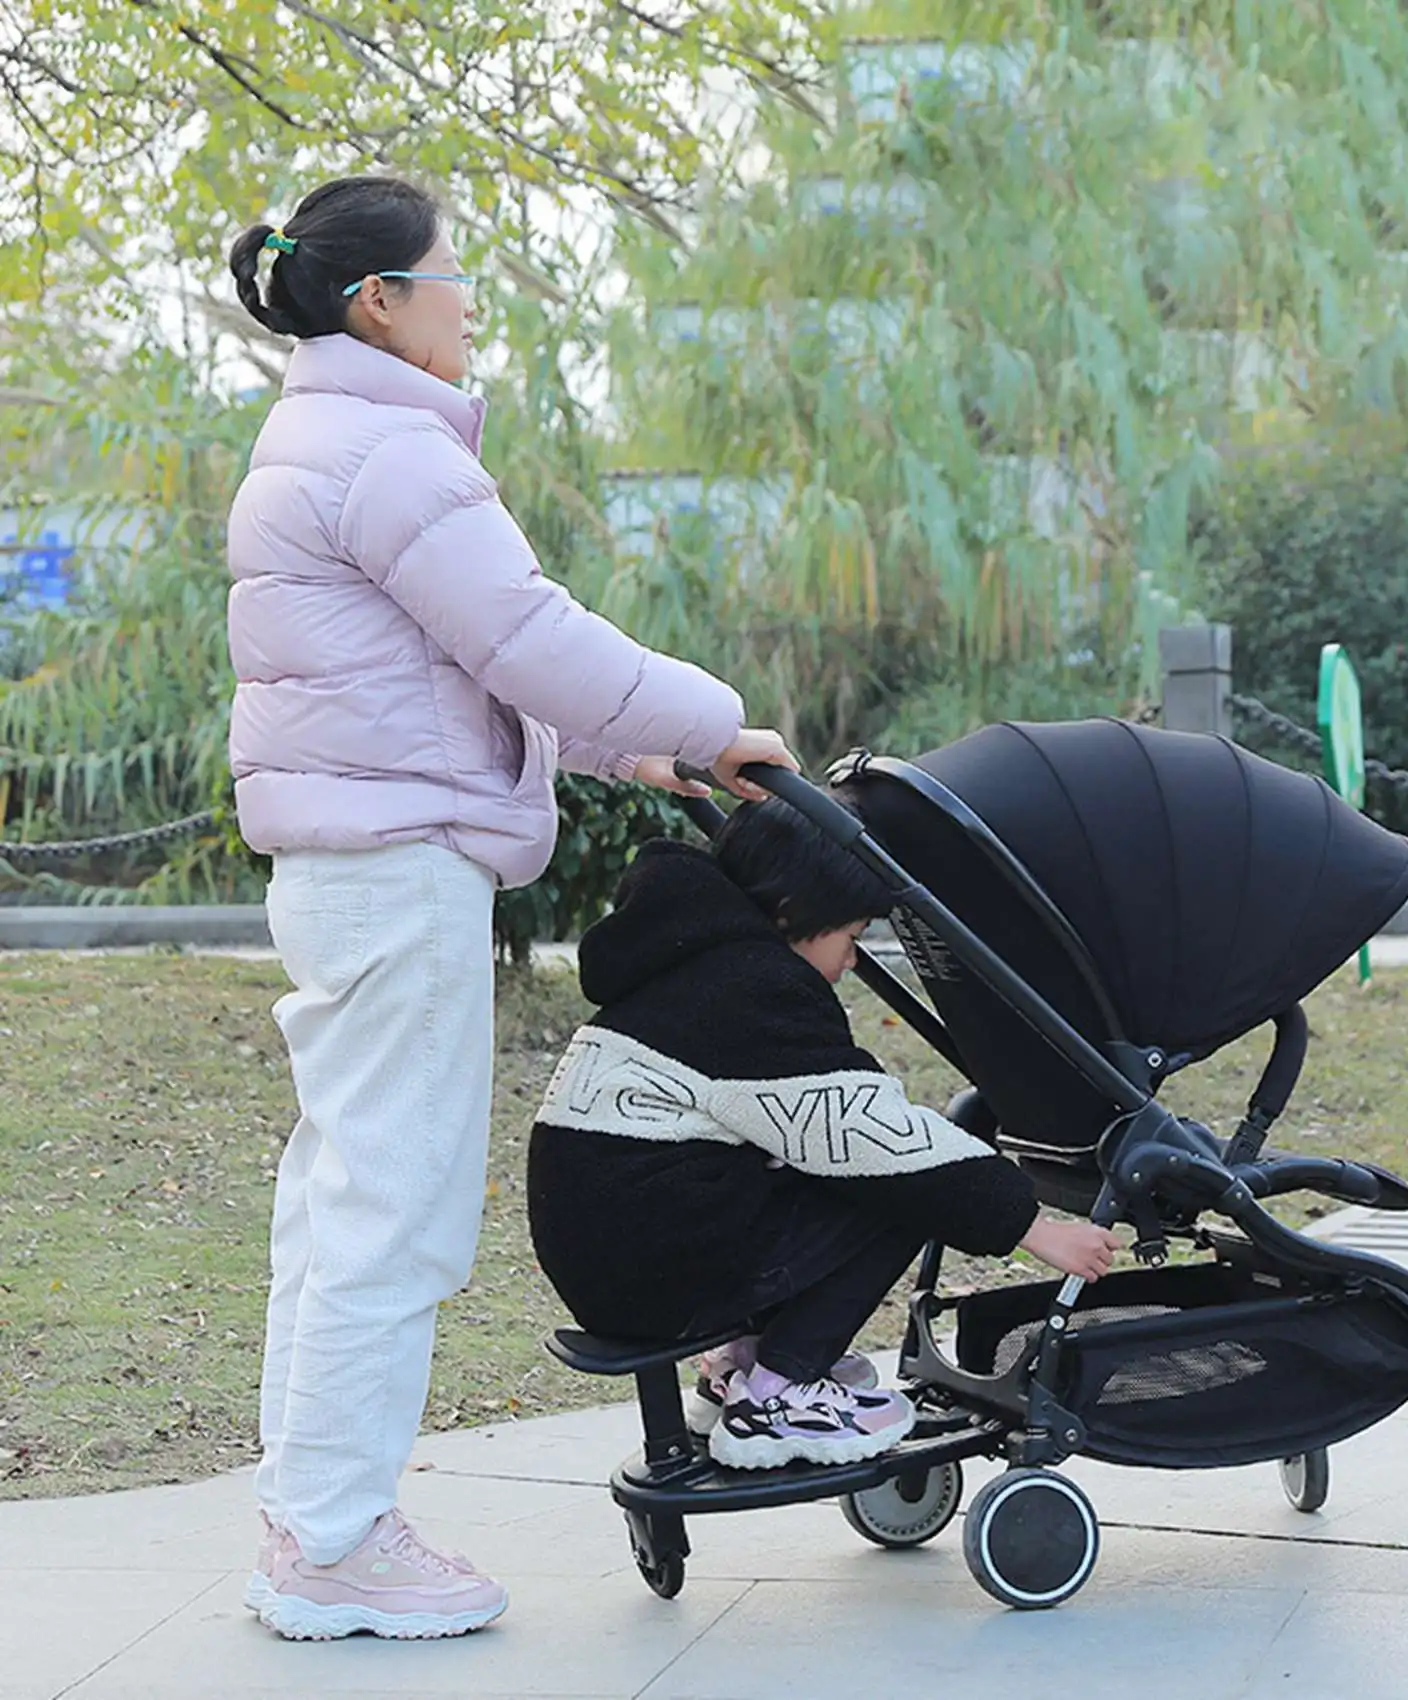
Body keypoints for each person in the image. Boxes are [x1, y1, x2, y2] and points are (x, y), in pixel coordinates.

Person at [225, 173, 797, 1642]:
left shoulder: (323, 437)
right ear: (379, 302)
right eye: (450, 273)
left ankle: (311, 1516)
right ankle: (338, 1546)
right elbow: (528, 638)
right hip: (398, 872)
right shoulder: (390, 456)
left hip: (352, 869)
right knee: (392, 1209)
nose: (469, 296)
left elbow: (462, 667)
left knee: (337, 1196)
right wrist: (715, 716)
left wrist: (642, 744)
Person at [527, 797, 1120, 1471]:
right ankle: (779, 1391)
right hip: (655, 1267)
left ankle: (738, 1364)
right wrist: (1034, 1228)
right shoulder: (751, 987)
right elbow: (875, 1137)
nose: (851, 962)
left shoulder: (680, 959)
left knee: (821, 1163)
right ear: (789, 912)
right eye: (851, 935)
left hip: (614, 1256)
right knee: (900, 1188)